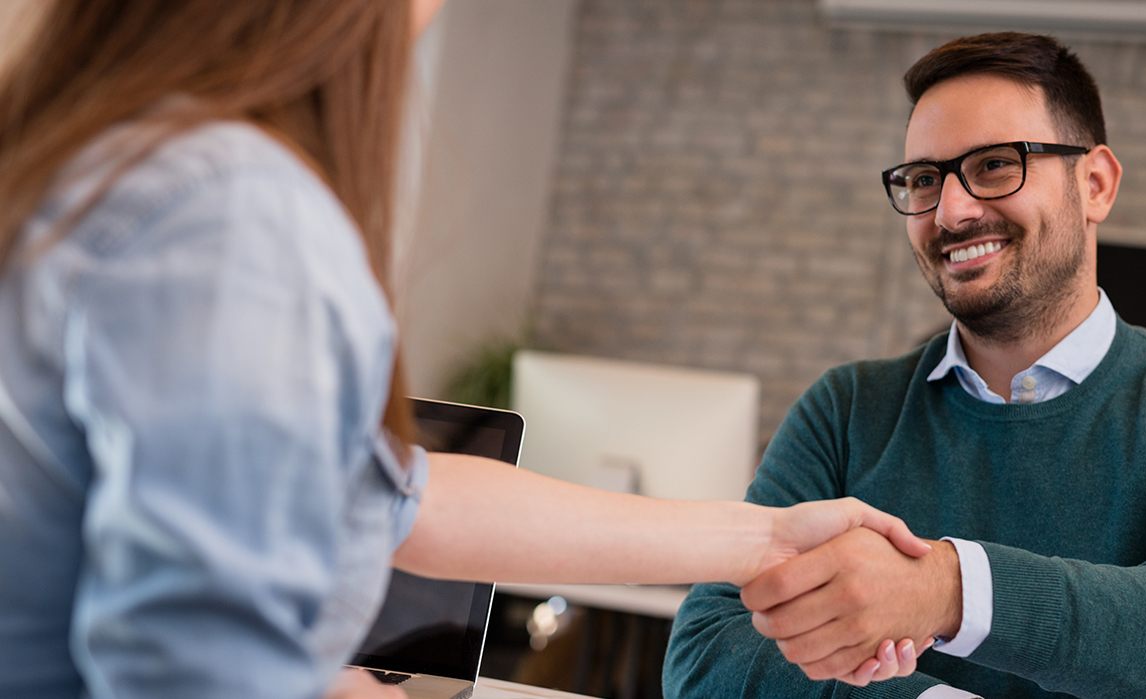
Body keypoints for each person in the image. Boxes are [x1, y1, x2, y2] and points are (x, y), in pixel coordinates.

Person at [0, 2, 930, 698]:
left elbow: (397, 495)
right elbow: (201, 666)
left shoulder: (89, 160)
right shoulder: (228, 210)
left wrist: (763, 535)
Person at [663, 31, 1146, 699]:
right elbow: (708, 652)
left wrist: (949, 589)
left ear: (1095, 184)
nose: (950, 210)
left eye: (997, 165)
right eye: (923, 179)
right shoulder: (848, 410)